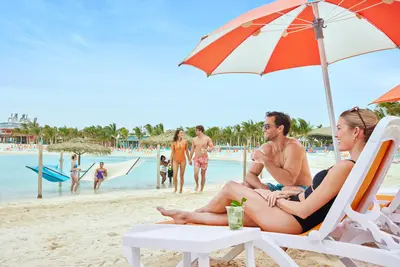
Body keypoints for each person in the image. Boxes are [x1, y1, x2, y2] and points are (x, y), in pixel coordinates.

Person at [157, 108, 378, 234]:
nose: (336, 134)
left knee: (231, 187)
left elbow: (304, 210)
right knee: (239, 216)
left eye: (339, 129)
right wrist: (285, 194)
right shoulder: (357, 167)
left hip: (294, 222)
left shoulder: (344, 167)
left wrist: (269, 195)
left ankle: (201, 211)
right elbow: (310, 197)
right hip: (293, 213)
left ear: (356, 132)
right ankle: (188, 216)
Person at [244, 111, 312, 194]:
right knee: (245, 185)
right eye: (263, 126)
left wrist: (265, 160)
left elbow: (289, 181)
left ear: (280, 128)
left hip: (301, 190)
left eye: (267, 126)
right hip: (281, 187)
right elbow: (250, 175)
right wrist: (263, 190)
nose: (263, 129)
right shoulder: (266, 148)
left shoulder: (294, 147)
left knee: (286, 189)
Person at [189, 125, 214, 193]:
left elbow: (212, 147)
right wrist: (190, 158)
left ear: (200, 131)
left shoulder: (207, 138)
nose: (195, 132)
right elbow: (192, 150)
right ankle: (197, 184)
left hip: (204, 159)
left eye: (196, 130)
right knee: (195, 173)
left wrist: (207, 150)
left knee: (203, 174)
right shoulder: (194, 139)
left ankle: (201, 189)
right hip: (196, 158)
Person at [170, 129, 190, 193]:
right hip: (175, 160)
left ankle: (181, 189)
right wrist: (170, 162)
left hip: (183, 160)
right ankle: (175, 188)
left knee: (181, 175)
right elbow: (172, 153)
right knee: (175, 175)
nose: (182, 134)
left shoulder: (185, 141)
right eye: (181, 133)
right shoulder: (173, 142)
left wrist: (189, 159)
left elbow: (187, 152)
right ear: (178, 134)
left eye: (182, 133)